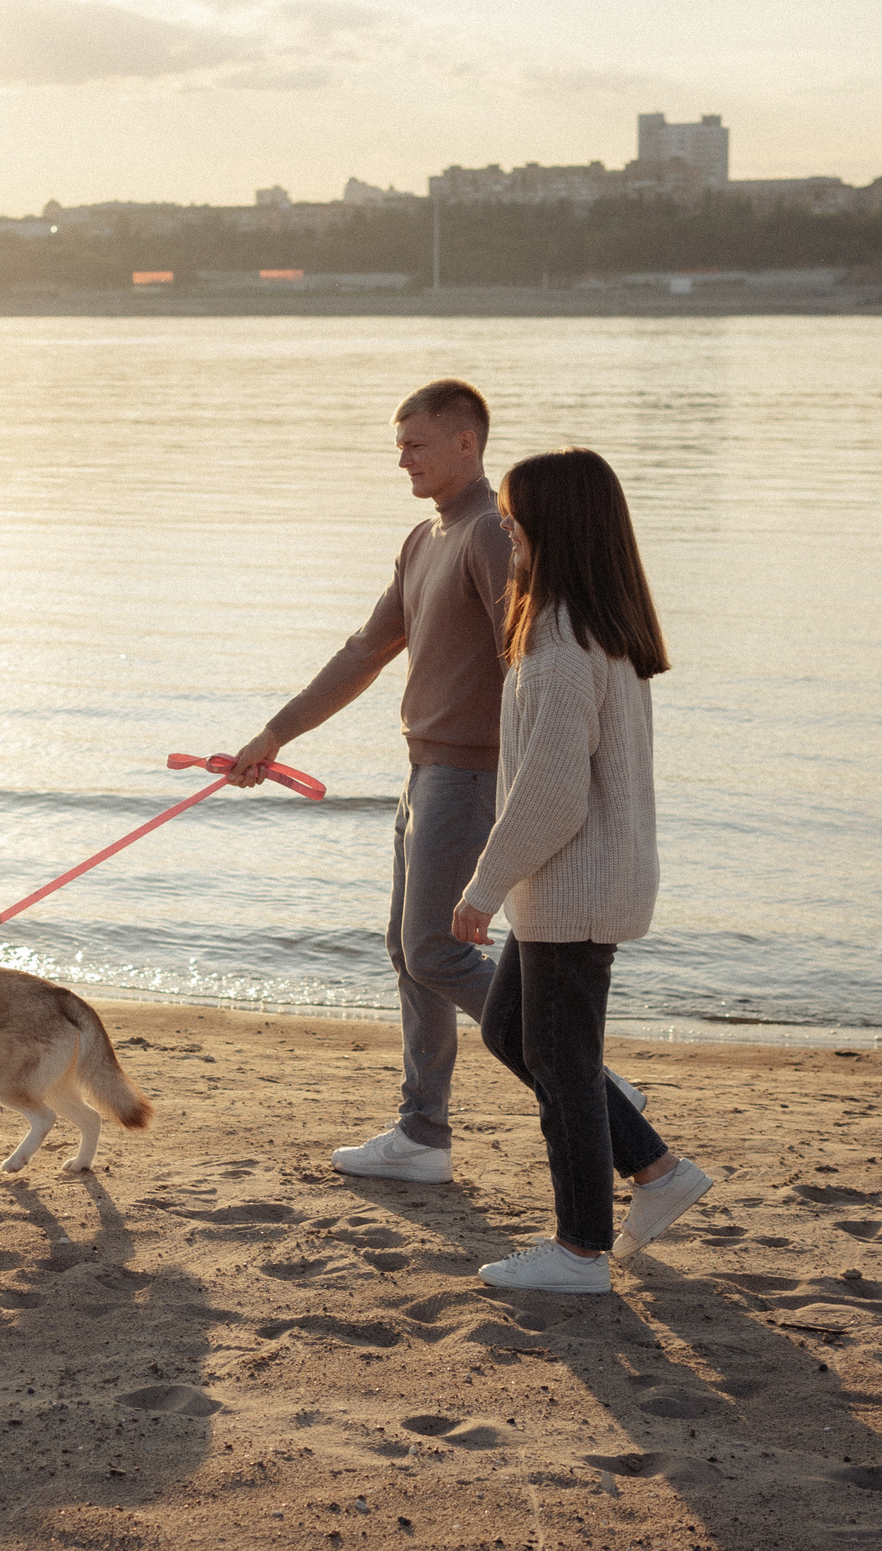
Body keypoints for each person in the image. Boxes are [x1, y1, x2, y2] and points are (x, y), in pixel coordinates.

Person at [230, 379, 639, 1183]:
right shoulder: (426, 537)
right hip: (424, 769)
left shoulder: (492, 531)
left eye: (417, 444)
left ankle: (592, 1085)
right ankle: (423, 1130)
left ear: (467, 442)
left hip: (473, 774)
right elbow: (364, 651)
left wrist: (519, 784)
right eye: (399, 446)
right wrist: (275, 732)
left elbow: (522, 660)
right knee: (406, 950)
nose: (404, 459)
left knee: (435, 951)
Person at [452, 447, 709, 1294]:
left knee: (563, 1068)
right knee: (511, 1033)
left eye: (514, 515)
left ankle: (580, 1251)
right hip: (580, 881)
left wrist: (483, 886)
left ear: (550, 527)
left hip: (575, 885)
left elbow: (552, 795)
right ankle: (656, 1167)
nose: (504, 527)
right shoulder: (586, 626)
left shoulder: (564, 647)